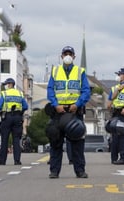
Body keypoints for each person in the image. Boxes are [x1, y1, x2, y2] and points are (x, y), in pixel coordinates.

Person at [46, 45, 90, 178]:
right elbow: (50, 90)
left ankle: (80, 171)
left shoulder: (79, 71)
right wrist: (55, 104)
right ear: (61, 56)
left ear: (74, 57)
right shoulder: (55, 71)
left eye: (70, 54)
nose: (67, 56)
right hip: (58, 112)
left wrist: (77, 104)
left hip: (74, 112)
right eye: (65, 54)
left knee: (77, 143)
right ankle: (54, 171)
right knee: (55, 142)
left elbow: (86, 91)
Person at [0, 77, 28, 165]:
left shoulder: (5, 93)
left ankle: (2, 161)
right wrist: (20, 112)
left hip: (7, 117)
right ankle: (17, 160)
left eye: (6, 84)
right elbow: (25, 106)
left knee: (4, 139)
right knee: (16, 140)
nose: (6, 86)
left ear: (10, 84)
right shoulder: (19, 94)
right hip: (17, 117)